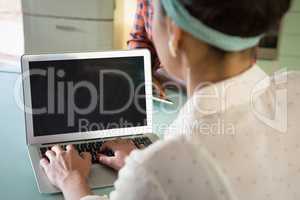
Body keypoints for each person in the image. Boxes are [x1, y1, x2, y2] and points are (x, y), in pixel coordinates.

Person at [39, 0, 296, 200]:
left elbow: (176, 174)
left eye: (152, 14)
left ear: (175, 33)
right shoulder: (294, 86)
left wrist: (73, 183)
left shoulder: (157, 169)